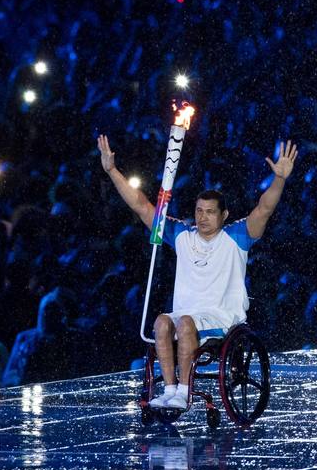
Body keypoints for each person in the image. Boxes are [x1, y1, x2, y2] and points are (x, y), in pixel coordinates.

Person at [97, 134, 298, 414]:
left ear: (224, 215)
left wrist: (279, 179)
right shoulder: (182, 234)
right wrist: (112, 171)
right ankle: (169, 391)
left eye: (210, 212)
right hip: (187, 315)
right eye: (199, 211)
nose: (203, 217)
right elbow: (141, 206)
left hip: (221, 317)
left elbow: (264, 209)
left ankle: (183, 392)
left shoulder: (237, 236)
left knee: (185, 324)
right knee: (162, 322)